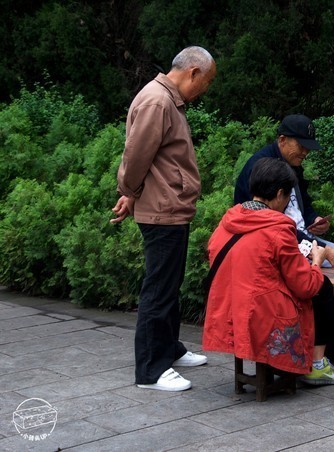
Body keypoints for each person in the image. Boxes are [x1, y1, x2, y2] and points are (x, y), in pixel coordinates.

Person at [111, 46, 217, 392]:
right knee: (159, 288)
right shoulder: (158, 101)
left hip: (168, 207)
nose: (205, 89)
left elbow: (154, 157)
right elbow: (136, 154)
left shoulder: (167, 100)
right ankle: (151, 371)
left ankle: (168, 349)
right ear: (194, 73)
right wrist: (128, 189)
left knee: (168, 286)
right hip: (162, 211)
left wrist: (132, 194)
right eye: (207, 82)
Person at [203, 158, 334, 385]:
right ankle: (317, 365)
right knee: (321, 287)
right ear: (280, 194)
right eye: (288, 197)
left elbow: (215, 253)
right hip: (264, 315)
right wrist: (317, 261)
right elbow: (306, 286)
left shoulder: (229, 220)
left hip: (227, 307)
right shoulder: (278, 229)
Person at [234, 114, 334, 270]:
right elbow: (271, 227)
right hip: (281, 246)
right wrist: (324, 250)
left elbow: (303, 203)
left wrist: (313, 220)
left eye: (308, 147)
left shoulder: (293, 164)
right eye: (301, 146)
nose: (305, 152)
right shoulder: (263, 168)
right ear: (282, 140)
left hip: (304, 239)